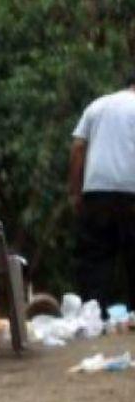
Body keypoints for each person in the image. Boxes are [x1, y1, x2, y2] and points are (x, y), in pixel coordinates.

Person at [69, 76, 135, 309]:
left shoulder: (97, 105)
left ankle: (93, 316)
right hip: (132, 193)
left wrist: (75, 193)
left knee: (95, 260)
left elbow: (77, 149)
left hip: (97, 193)